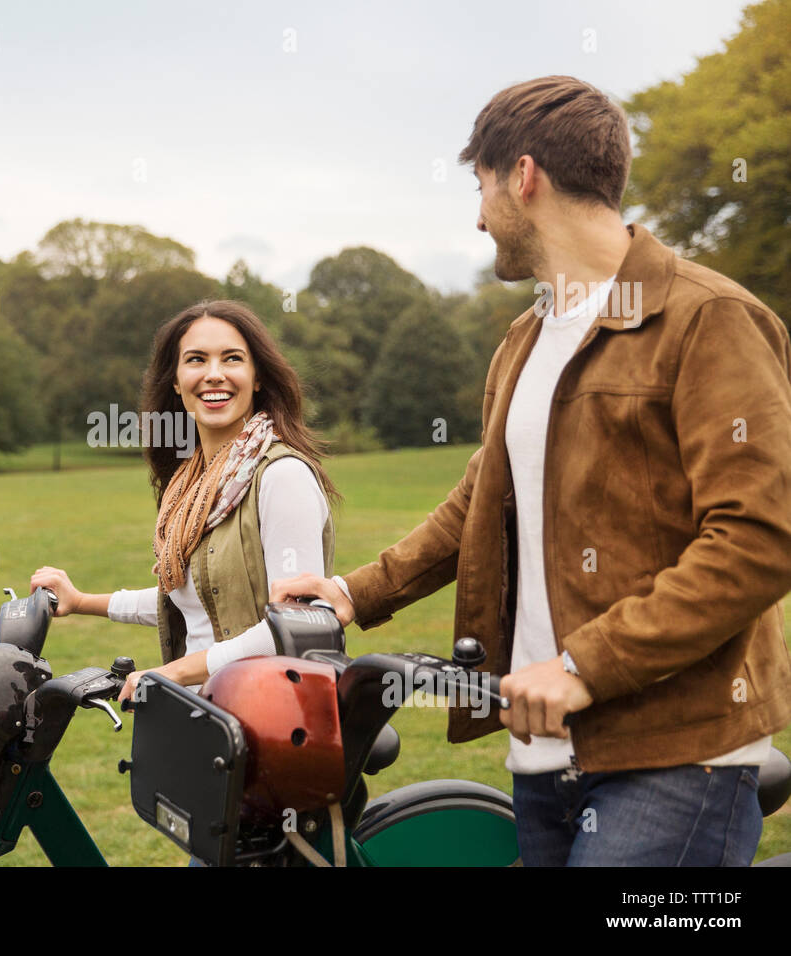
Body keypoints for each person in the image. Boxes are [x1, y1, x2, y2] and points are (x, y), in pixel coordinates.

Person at [271, 75, 791, 866]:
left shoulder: (707, 318)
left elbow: (761, 536)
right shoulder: (526, 336)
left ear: (523, 176)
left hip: (679, 757)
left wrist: (588, 664)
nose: (478, 218)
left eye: (480, 188)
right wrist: (353, 592)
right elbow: (485, 495)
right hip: (544, 758)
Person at [30, 299, 341, 703]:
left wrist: (172, 672)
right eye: (196, 360)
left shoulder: (282, 476)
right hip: (202, 716)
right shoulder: (193, 483)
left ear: (257, 376)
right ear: (176, 381)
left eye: (232, 359)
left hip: (275, 721)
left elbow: (298, 626)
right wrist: (82, 601)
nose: (214, 375)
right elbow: (191, 597)